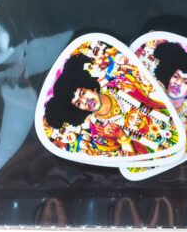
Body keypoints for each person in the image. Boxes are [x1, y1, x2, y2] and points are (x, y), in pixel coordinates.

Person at [43, 52, 174, 158]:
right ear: (77, 110)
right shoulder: (98, 133)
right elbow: (130, 161)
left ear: (90, 86)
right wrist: (122, 137)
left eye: (83, 93)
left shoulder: (121, 83)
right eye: (78, 103)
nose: (84, 101)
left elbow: (157, 97)